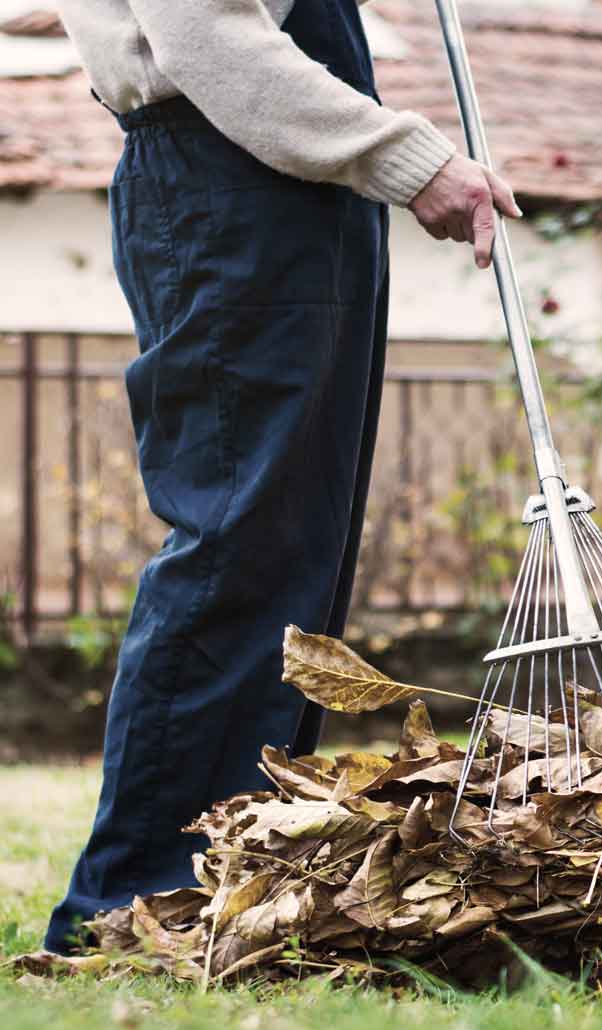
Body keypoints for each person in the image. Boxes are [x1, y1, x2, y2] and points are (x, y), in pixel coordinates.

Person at [45, 0, 519, 953]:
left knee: (294, 555)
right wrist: (413, 159)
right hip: (229, 185)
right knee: (237, 545)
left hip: (282, 198)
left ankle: (233, 877)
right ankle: (132, 902)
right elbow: (206, 36)